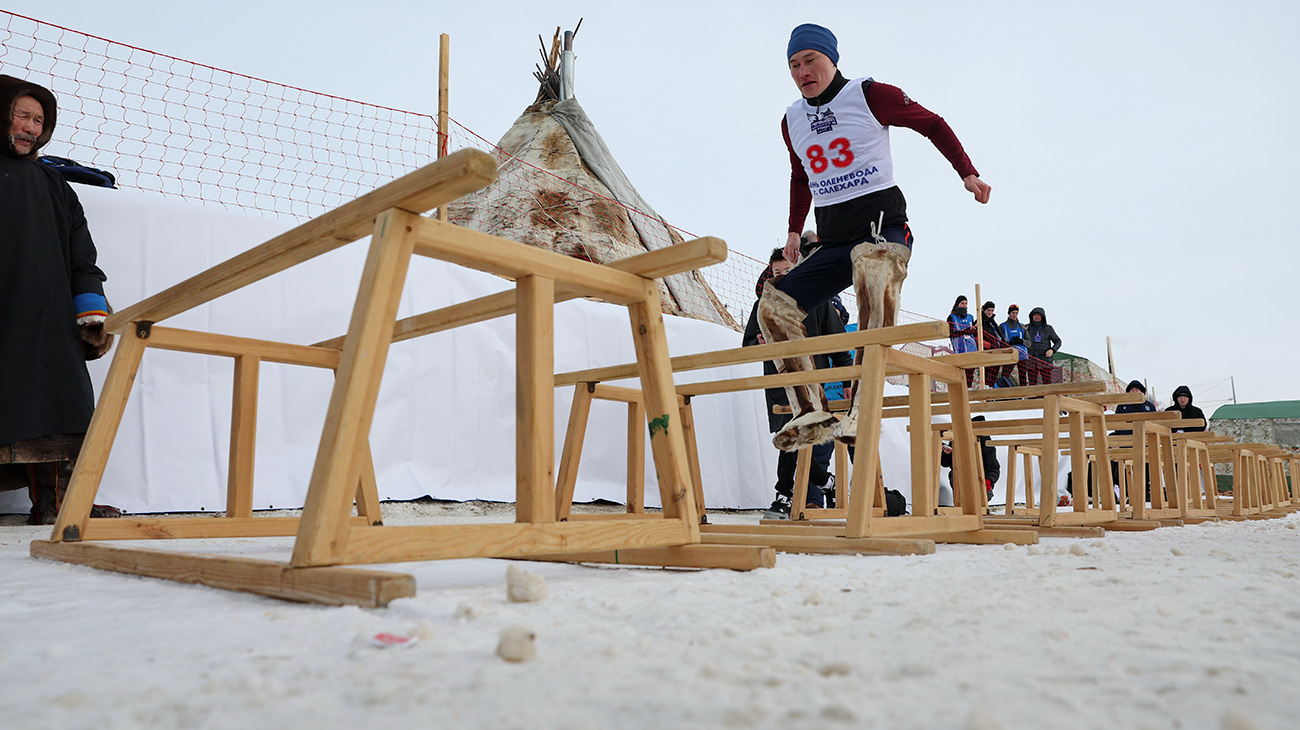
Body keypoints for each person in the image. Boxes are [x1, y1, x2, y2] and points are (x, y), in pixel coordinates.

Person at [755, 23, 990, 453]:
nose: (802, 72)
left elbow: (932, 123)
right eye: (794, 65)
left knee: (872, 270)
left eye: (810, 61)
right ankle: (810, 412)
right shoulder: (792, 121)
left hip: (883, 231)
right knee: (773, 304)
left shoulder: (868, 94)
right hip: (834, 242)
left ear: (831, 59)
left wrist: (967, 173)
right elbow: (800, 175)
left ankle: (863, 410)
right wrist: (793, 229)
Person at [0, 75, 117, 525]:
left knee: (60, 406)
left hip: (48, 320)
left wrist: (91, 311)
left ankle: (61, 505)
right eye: (22, 115)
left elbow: (82, 258)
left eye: (39, 120)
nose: (31, 127)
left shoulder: (55, 185)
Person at [744, 249, 853, 519]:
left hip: (811, 383)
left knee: (798, 436)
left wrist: (847, 379)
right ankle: (826, 484)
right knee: (792, 438)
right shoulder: (762, 306)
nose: (782, 277)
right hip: (779, 384)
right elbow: (748, 344)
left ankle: (783, 495)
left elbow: (838, 342)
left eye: (788, 271)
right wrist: (759, 343)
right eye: (777, 272)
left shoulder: (818, 301)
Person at [939, 416, 999, 505]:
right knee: (954, 474)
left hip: (981, 482)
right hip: (961, 479)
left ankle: (977, 504)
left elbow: (993, 468)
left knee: (979, 500)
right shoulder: (957, 438)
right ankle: (961, 504)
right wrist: (948, 454)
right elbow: (946, 463)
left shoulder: (986, 445)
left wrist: (986, 483)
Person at [1023, 307, 1061, 386]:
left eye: (1039, 315)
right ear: (1031, 316)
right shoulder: (1026, 328)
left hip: (1045, 362)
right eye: (1035, 315)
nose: (1036, 317)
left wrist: (1052, 350)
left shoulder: (1048, 328)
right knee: (1032, 386)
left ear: (1042, 317)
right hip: (1031, 362)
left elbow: (1058, 341)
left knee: (1047, 385)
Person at [946, 296, 977, 386]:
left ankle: (969, 389)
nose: (964, 305)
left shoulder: (970, 317)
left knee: (970, 375)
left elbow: (974, 334)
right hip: (960, 350)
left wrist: (974, 330)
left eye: (966, 303)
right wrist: (964, 331)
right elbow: (951, 334)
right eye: (962, 303)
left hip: (971, 349)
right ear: (957, 304)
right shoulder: (952, 317)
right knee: (961, 375)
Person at [978, 301, 1006, 387]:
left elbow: (999, 336)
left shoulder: (993, 322)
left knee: (994, 374)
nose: (990, 313)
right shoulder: (980, 321)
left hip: (996, 351)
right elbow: (976, 336)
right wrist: (985, 344)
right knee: (987, 374)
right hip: (987, 352)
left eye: (992, 310)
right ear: (984, 310)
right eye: (988, 310)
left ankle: (992, 388)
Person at [1000, 304, 1028, 386]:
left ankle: (1024, 392)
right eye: (1013, 313)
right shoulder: (1003, 326)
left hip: (1022, 355)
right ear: (1009, 313)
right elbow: (999, 341)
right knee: (1005, 375)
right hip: (1009, 354)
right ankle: (1004, 390)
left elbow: (1029, 342)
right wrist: (1009, 343)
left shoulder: (1022, 326)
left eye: (1016, 313)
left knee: (1023, 377)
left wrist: (1021, 341)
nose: (1014, 315)